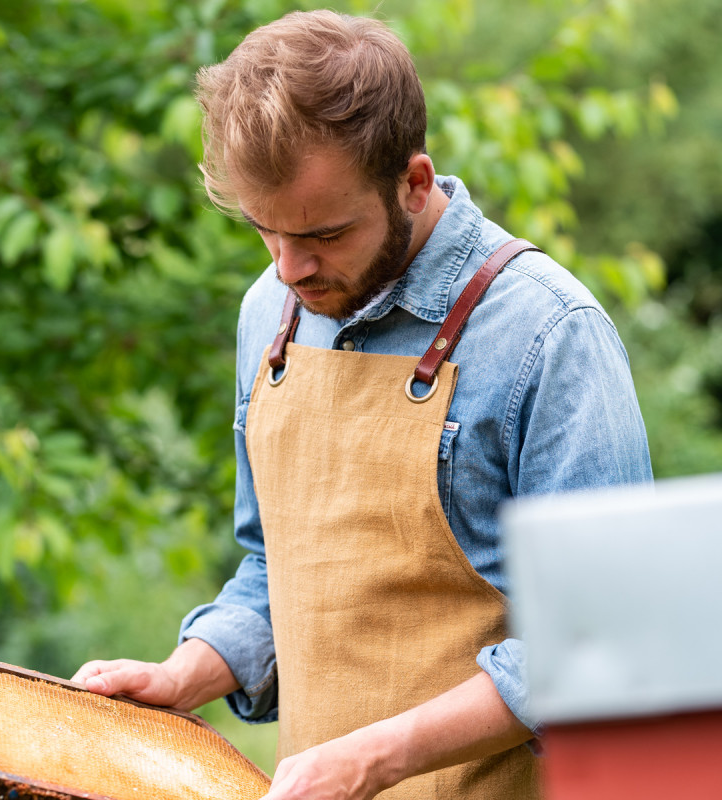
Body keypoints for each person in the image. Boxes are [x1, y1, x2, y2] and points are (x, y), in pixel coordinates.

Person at [72, 10, 652, 799]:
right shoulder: (267, 315)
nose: (289, 269)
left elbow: (599, 642)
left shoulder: (549, 335)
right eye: (264, 232)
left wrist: (369, 759)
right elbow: (280, 571)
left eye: (324, 234)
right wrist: (185, 673)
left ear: (413, 182)